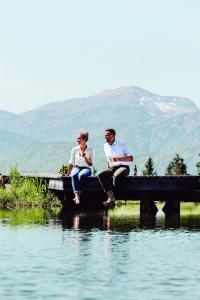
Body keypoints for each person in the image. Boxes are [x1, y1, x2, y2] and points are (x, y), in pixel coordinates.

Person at [98, 129, 133, 207]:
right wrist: (108, 169)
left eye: (108, 135)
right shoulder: (105, 146)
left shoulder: (121, 144)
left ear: (113, 135)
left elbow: (131, 158)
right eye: (105, 135)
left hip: (124, 167)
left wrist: (118, 159)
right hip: (112, 167)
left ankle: (114, 197)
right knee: (101, 175)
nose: (105, 136)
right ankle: (110, 198)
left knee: (116, 176)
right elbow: (109, 159)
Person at [67, 131, 93, 204]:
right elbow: (71, 162)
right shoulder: (75, 149)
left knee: (81, 175)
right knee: (74, 175)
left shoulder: (90, 149)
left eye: (79, 138)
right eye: (77, 138)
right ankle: (76, 195)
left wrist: (85, 157)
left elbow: (90, 164)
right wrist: (67, 173)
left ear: (84, 139)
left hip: (87, 168)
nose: (77, 140)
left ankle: (78, 194)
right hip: (77, 167)